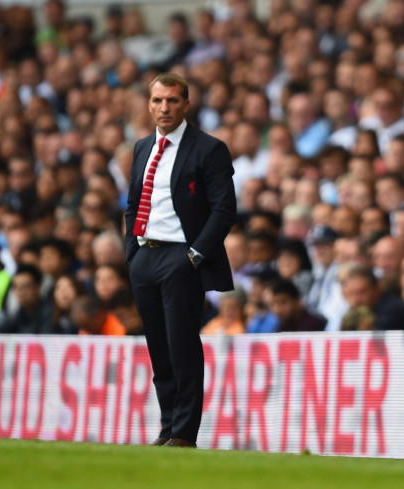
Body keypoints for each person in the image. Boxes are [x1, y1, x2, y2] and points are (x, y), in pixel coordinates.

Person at [124, 73, 238, 448]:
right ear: (149, 104)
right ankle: (167, 426)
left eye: (172, 101)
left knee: (182, 345)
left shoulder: (208, 148)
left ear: (186, 104)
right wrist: (132, 253)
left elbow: (224, 210)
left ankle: (184, 432)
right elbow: (132, 204)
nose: (164, 108)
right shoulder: (142, 147)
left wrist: (194, 256)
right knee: (158, 348)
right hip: (146, 255)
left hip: (180, 256)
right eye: (157, 101)